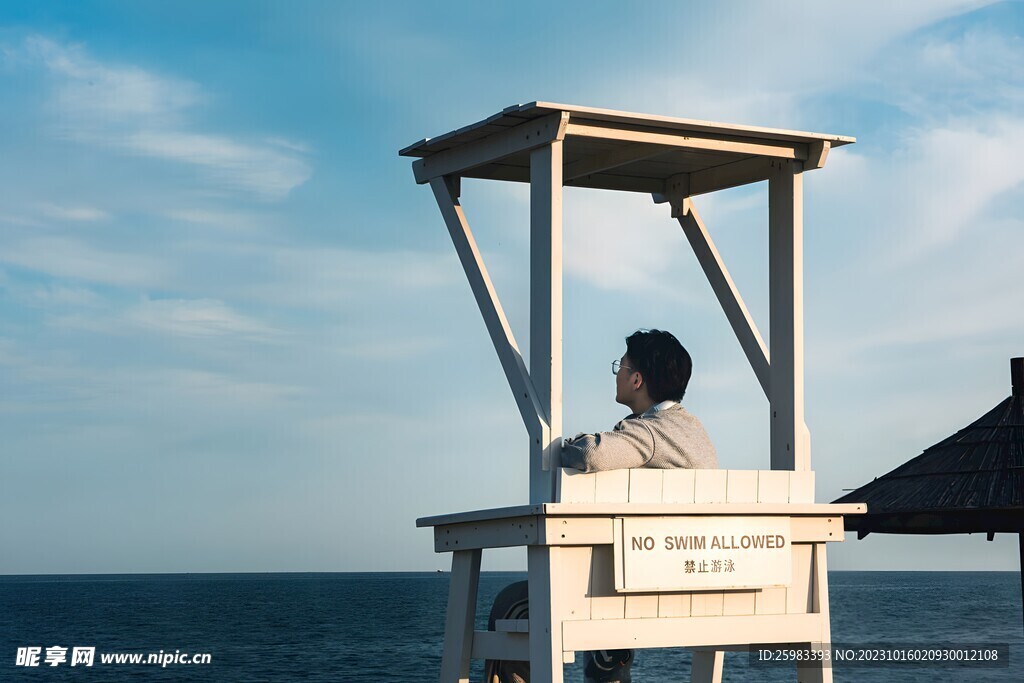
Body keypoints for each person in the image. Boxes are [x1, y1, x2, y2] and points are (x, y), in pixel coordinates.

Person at [486, 329, 717, 683]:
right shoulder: (697, 433)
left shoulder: (652, 433)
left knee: (513, 601)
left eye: (620, 367)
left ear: (637, 379)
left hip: (635, 591)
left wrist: (566, 443)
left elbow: (591, 452)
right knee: (608, 579)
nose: (618, 374)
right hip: (695, 584)